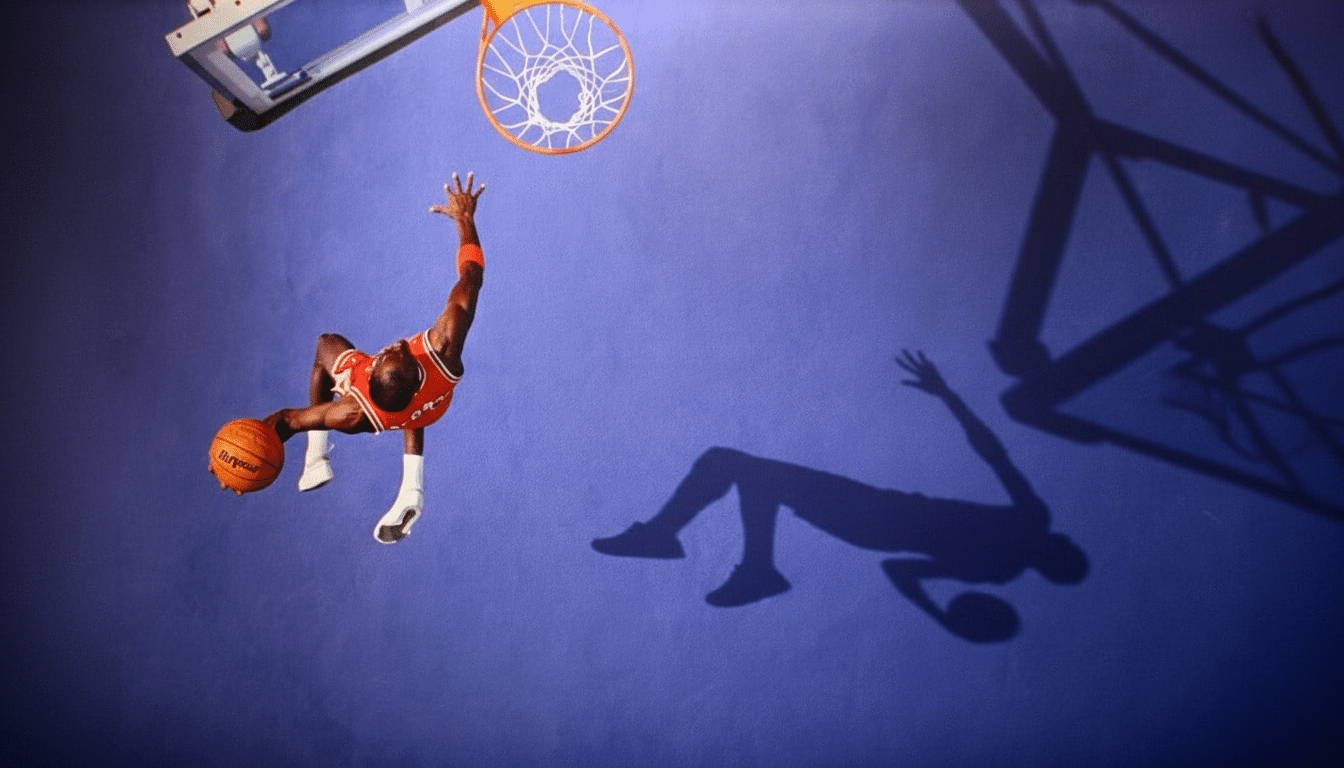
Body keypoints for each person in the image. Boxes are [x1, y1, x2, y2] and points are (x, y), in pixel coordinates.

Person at [592, 351, 1087, 627]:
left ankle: (744, 563)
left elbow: (991, 454)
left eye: (1064, 551)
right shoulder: (1008, 554)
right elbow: (903, 570)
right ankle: (682, 542)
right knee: (730, 463)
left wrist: (942, 616)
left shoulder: (1012, 547)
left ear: (1055, 559)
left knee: (745, 468)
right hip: (875, 515)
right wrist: (940, 616)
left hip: (876, 518)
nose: (1063, 540)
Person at [263, 173, 485, 544]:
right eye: (396, 352)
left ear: (372, 372)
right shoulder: (443, 349)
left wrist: (251, 438)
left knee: (326, 344)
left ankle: (316, 458)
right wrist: (465, 219)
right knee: (405, 401)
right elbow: (472, 277)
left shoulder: (349, 412)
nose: (395, 344)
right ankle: (411, 488)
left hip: (397, 409)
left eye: (388, 354)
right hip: (433, 402)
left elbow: (287, 421)